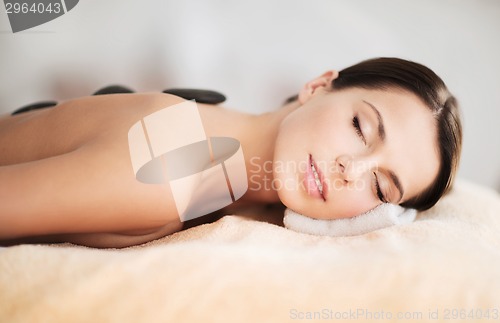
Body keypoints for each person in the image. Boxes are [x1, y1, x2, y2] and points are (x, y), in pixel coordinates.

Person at [0, 57, 462, 248]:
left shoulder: (241, 200)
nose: (351, 170)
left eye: (381, 187)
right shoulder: (178, 161)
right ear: (318, 86)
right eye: (360, 127)